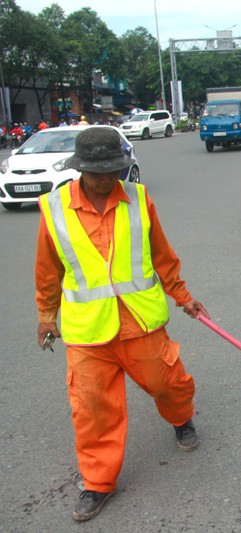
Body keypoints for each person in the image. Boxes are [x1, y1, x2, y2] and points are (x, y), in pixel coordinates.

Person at [34, 127, 209, 522]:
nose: (106, 178)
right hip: (87, 331)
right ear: (80, 169)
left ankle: (182, 419)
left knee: (169, 382)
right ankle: (97, 483)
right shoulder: (55, 208)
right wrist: (47, 316)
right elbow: (48, 270)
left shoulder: (138, 198)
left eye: (114, 169)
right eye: (97, 172)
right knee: (93, 407)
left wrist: (182, 295)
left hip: (140, 321)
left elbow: (161, 254)